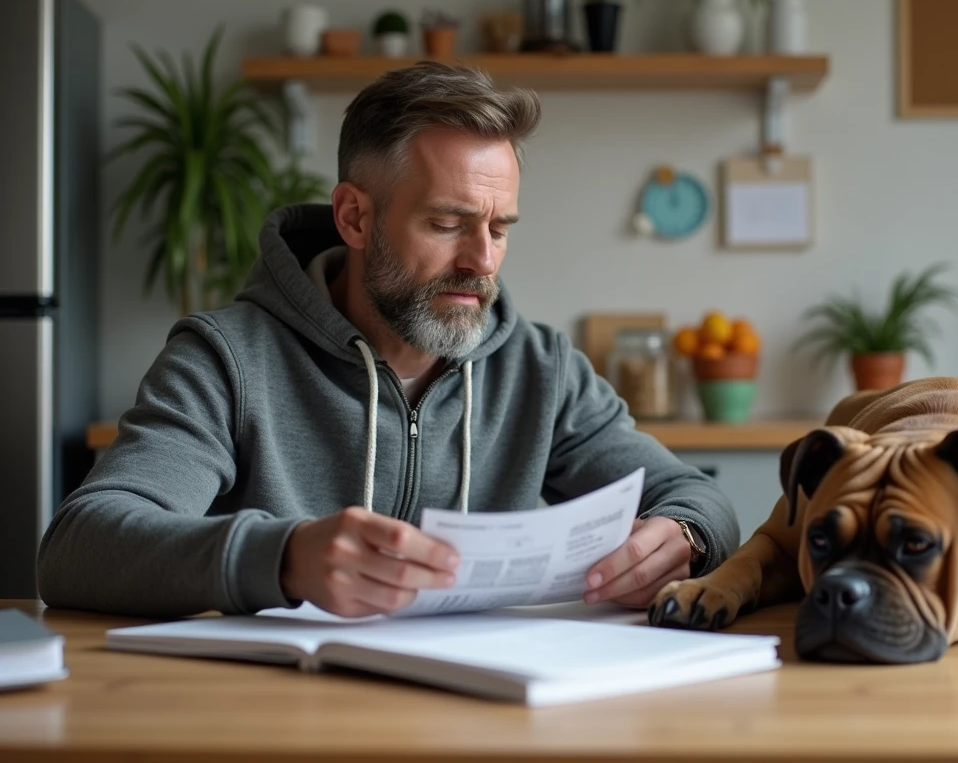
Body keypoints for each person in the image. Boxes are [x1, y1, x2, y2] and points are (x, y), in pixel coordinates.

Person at [37, 61, 739, 619]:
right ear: (354, 217)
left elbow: (695, 497)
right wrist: (285, 558)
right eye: (447, 224)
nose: (482, 262)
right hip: (279, 720)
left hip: (486, 715)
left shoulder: (541, 369)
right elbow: (80, 546)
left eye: (499, 228)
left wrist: (683, 534)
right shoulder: (228, 359)